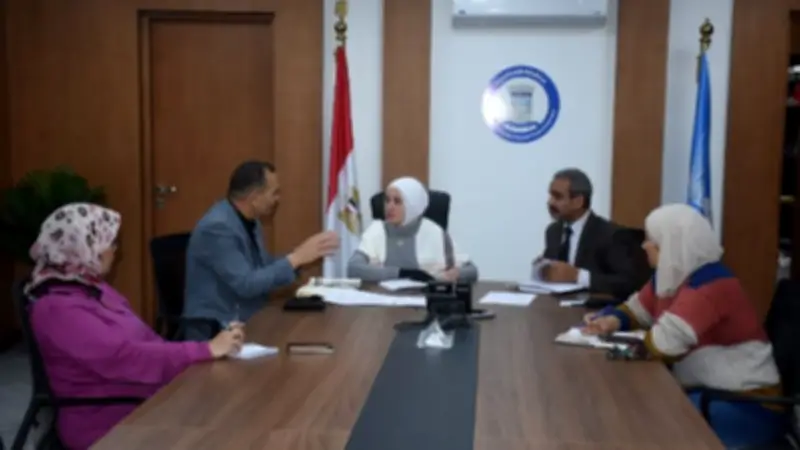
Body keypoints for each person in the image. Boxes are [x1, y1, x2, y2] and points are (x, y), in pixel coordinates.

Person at [27, 203, 244, 450]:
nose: (115, 250)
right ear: (83, 248)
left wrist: (198, 353)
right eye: (109, 242)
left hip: (141, 397)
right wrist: (204, 350)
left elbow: (147, 341)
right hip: (108, 420)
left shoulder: (94, 288)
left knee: (230, 408)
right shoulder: (57, 309)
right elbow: (122, 357)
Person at [583, 204, 783, 448]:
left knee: (648, 426)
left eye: (652, 240)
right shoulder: (669, 275)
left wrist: (618, 347)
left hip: (745, 404)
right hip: (704, 393)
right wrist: (612, 320)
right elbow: (637, 309)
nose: (644, 245)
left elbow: (663, 344)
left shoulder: (711, 284)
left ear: (673, 244)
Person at [184, 161, 339, 339]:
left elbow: (261, 267)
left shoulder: (251, 221)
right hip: (216, 329)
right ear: (255, 197)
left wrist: (301, 258)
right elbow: (246, 284)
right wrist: (295, 258)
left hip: (249, 318)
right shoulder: (217, 228)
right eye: (274, 193)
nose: (278, 199)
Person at [348, 176, 478, 282]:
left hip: (425, 299)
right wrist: (402, 274)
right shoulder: (376, 230)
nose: (390, 207)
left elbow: (472, 270)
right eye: (387, 200)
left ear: (413, 205)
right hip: (383, 300)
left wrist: (455, 274)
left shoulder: (434, 232)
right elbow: (353, 268)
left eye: (397, 201)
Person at [538, 168, 639, 297]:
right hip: (554, 306)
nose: (550, 202)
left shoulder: (611, 234)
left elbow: (627, 283)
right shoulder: (553, 231)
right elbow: (555, 275)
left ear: (578, 202)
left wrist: (578, 276)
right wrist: (543, 269)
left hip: (593, 306)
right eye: (551, 196)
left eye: (557, 197)